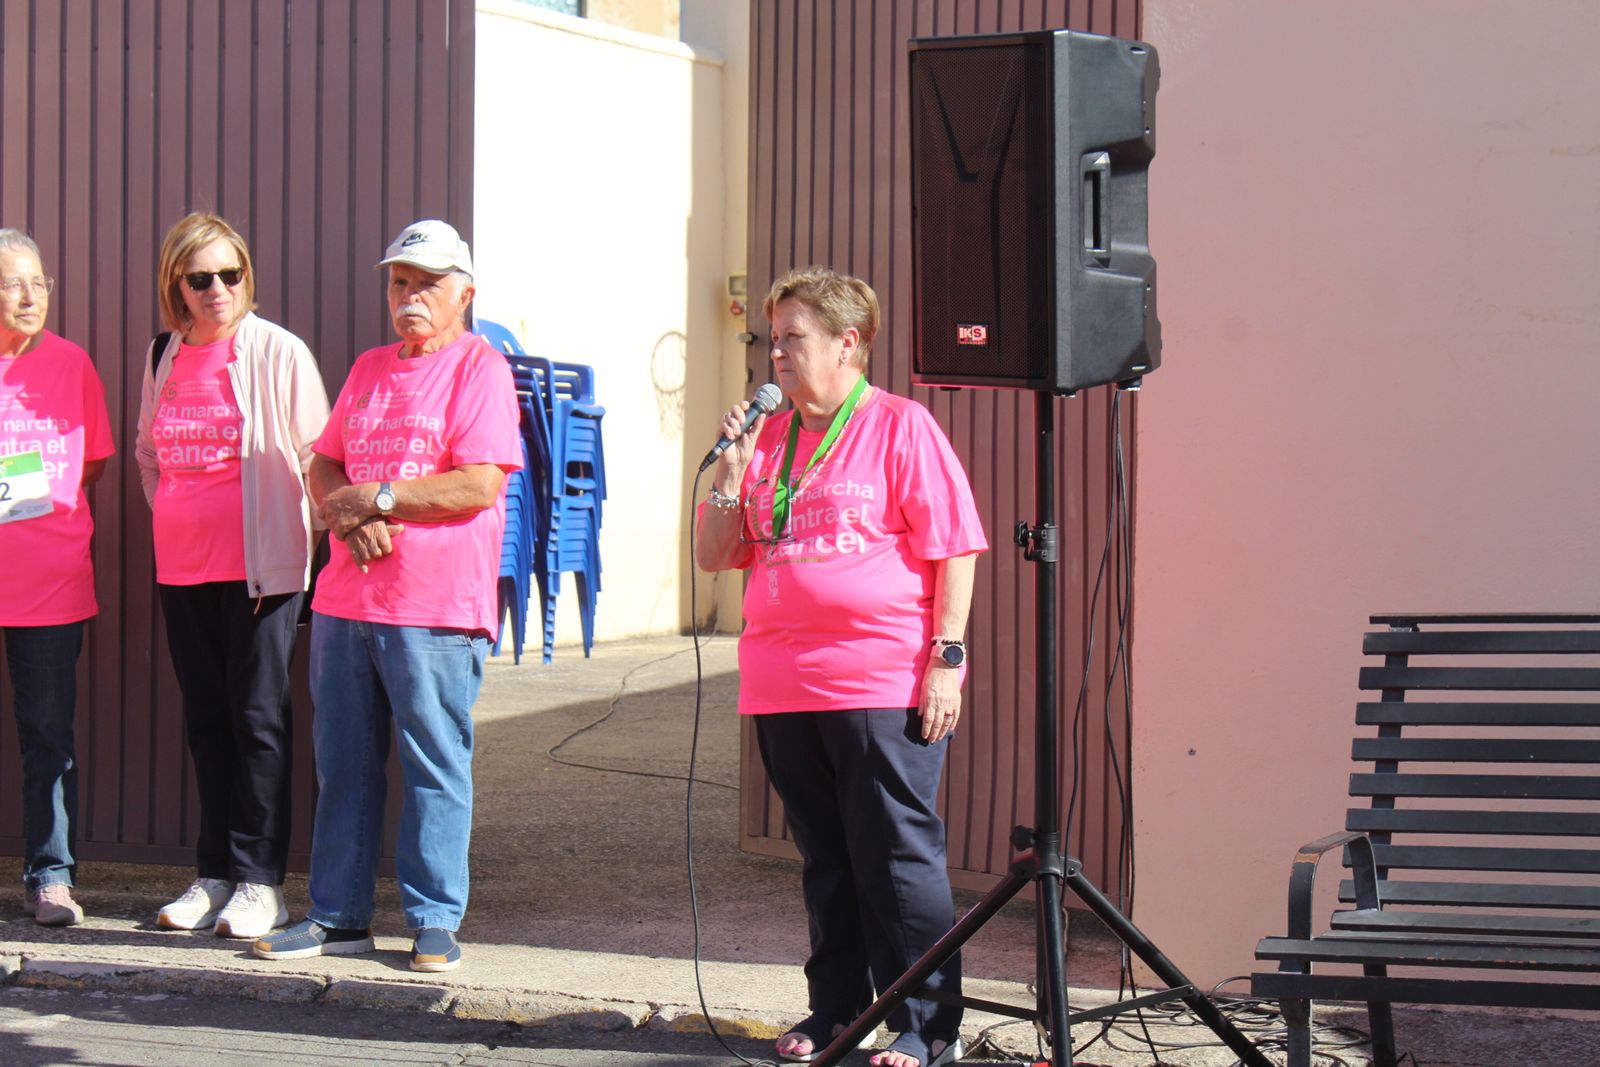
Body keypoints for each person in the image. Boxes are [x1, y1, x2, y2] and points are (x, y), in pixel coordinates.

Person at [695, 267, 987, 1067]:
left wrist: (947, 659)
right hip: (783, 683)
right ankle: (837, 1011)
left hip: (879, 679)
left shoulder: (900, 427)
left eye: (793, 337)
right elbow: (715, 555)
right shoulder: (767, 439)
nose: (776, 354)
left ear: (847, 343)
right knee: (826, 860)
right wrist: (730, 473)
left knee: (895, 856)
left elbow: (955, 547)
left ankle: (928, 1024)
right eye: (773, 339)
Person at [252, 219, 520, 974]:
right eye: (400, 281)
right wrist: (353, 511)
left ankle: (434, 919)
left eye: (428, 283)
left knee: (434, 762)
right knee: (344, 763)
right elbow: (324, 463)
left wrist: (379, 497)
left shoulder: (480, 368)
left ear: (464, 293)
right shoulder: (370, 367)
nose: (410, 295)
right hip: (346, 599)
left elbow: (479, 482)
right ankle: (338, 917)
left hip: (435, 607)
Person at [136, 213, 331, 939]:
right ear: (177, 287)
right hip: (182, 568)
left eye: (231, 273)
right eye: (201, 278)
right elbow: (148, 456)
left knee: (258, 719)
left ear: (247, 276)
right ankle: (214, 874)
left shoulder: (279, 351)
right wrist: (177, 517)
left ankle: (259, 881)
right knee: (207, 721)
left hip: (261, 570)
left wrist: (301, 544)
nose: (218, 289)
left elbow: (318, 458)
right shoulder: (162, 355)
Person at [0, 229, 114, 927]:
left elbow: (91, 461)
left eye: (37, 282)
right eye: (13, 283)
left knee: (48, 734)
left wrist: (18, 489)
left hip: (49, 582)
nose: (29, 295)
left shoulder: (72, 364)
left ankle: (51, 875)